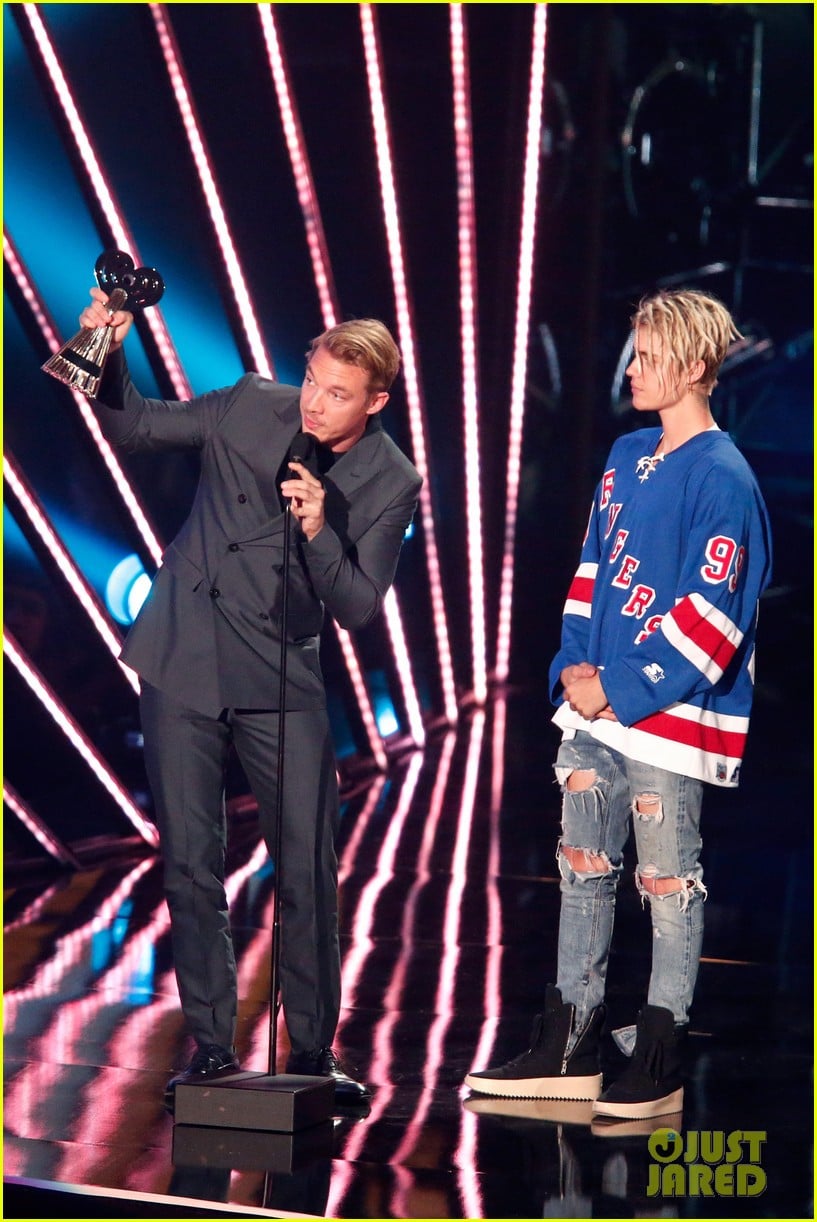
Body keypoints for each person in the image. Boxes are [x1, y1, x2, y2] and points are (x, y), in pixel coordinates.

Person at [80, 287, 422, 1107]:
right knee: (191, 861)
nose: (314, 400)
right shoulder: (245, 404)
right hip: (184, 653)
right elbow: (135, 426)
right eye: (311, 380)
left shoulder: (390, 478)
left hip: (281, 672)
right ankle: (207, 1045)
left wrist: (317, 531)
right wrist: (106, 349)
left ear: (375, 402)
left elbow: (357, 607)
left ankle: (310, 1047)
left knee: (308, 863)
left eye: (336, 393)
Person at [465, 288, 772, 1120]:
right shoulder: (624, 453)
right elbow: (592, 573)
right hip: (591, 708)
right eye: (632, 352)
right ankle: (570, 1040)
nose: (631, 368)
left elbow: (714, 615)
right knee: (581, 873)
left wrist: (621, 687)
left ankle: (661, 1049)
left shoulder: (723, 476)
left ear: (696, 365)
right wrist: (572, 667)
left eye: (647, 355)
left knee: (666, 883)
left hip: (665, 724)